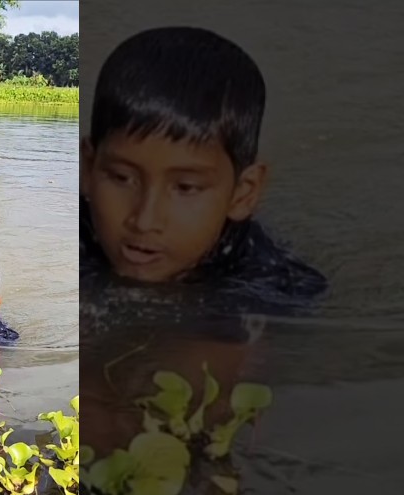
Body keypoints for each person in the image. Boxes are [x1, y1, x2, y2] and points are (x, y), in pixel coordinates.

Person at [81, 26, 327, 315]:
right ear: (87, 168)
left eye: (185, 188)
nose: (144, 221)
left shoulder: (271, 288)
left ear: (242, 194)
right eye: (122, 178)